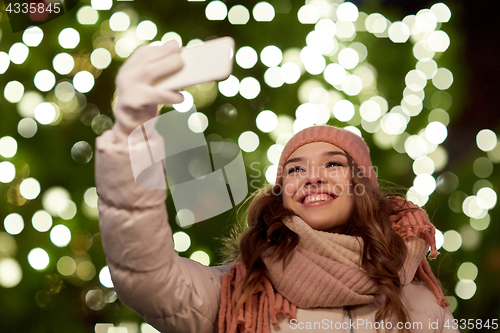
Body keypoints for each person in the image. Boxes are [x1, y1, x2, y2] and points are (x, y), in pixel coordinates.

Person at [95, 41, 459, 333]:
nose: (312, 177)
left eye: (333, 164)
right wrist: (134, 131)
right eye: (295, 170)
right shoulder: (235, 293)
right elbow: (144, 273)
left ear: (362, 186)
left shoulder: (422, 304)